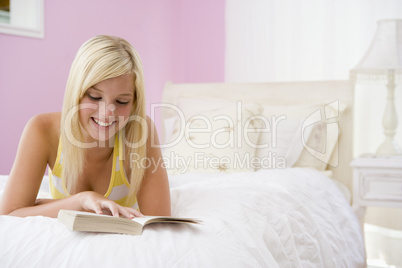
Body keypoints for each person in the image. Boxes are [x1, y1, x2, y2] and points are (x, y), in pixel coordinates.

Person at [0, 35, 171, 219]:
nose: (107, 113)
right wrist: (81, 201)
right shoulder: (42, 130)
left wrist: (48, 206)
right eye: (95, 97)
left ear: (135, 102)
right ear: (76, 91)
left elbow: (158, 220)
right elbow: (9, 213)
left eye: (122, 101)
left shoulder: (140, 131)